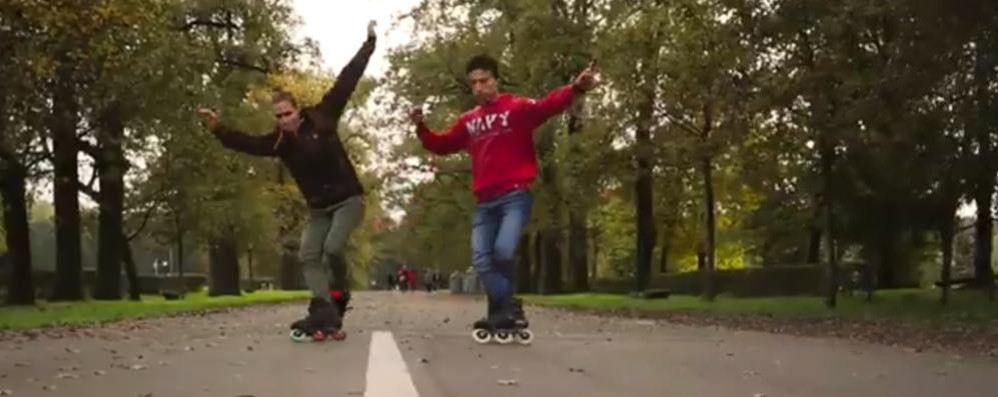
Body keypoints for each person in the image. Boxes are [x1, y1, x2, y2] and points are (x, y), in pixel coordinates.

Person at [197, 21, 378, 336]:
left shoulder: (323, 116)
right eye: (278, 117)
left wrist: (369, 44)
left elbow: (347, 79)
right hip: (320, 208)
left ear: (298, 111)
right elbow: (246, 143)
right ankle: (324, 309)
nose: (284, 121)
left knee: (332, 249)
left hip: (349, 200)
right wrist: (217, 128)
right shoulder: (278, 143)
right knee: (308, 255)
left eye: (288, 114)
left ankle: (340, 292)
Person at [409, 54, 597, 331]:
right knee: (481, 260)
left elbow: (548, 105)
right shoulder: (468, 121)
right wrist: (421, 127)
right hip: (484, 202)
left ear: (496, 80)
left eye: (484, 81)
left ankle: (506, 307)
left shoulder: (516, 108)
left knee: (503, 251)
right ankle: (504, 310)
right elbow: (442, 144)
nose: (479, 88)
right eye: (473, 83)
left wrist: (576, 88)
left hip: (514, 196)